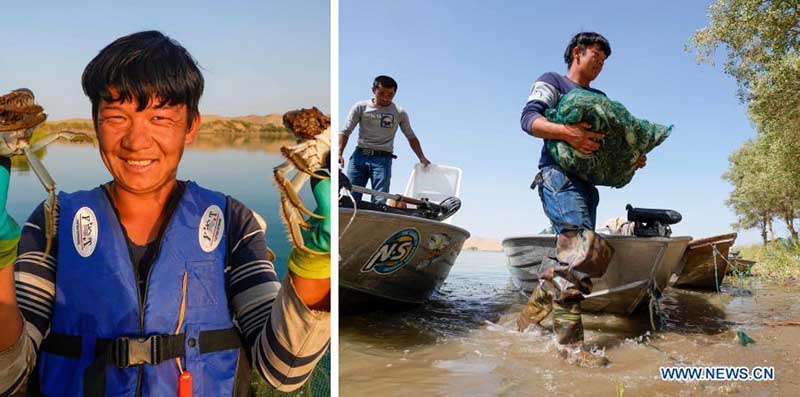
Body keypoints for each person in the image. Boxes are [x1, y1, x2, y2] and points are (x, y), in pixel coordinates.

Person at [0, 31, 330, 396]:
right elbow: (8, 376)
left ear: (191, 127)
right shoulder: (53, 221)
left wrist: (317, 262)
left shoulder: (232, 222)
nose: (136, 141)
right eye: (116, 117)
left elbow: (283, 372)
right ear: (94, 123)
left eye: (159, 118)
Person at [516, 32, 645, 367]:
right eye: (596, 57)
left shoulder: (599, 97)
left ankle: (523, 325)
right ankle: (570, 349)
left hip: (587, 185)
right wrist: (569, 133)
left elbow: (606, 142)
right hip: (557, 178)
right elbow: (529, 119)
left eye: (604, 61)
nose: (600, 65)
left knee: (586, 257)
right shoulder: (553, 82)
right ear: (577, 52)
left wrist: (630, 156)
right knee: (579, 255)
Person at [339, 75, 430, 204]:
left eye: (390, 94)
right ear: (373, 90)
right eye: (382, 93)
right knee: (350, 197)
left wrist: (422, 157)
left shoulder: (399, 112)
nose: (386, 97)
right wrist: (339, 153)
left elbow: (411, 136)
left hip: (382, 161)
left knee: (379, 200)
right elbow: (345, 131)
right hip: (359, 157)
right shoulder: (361, 107)